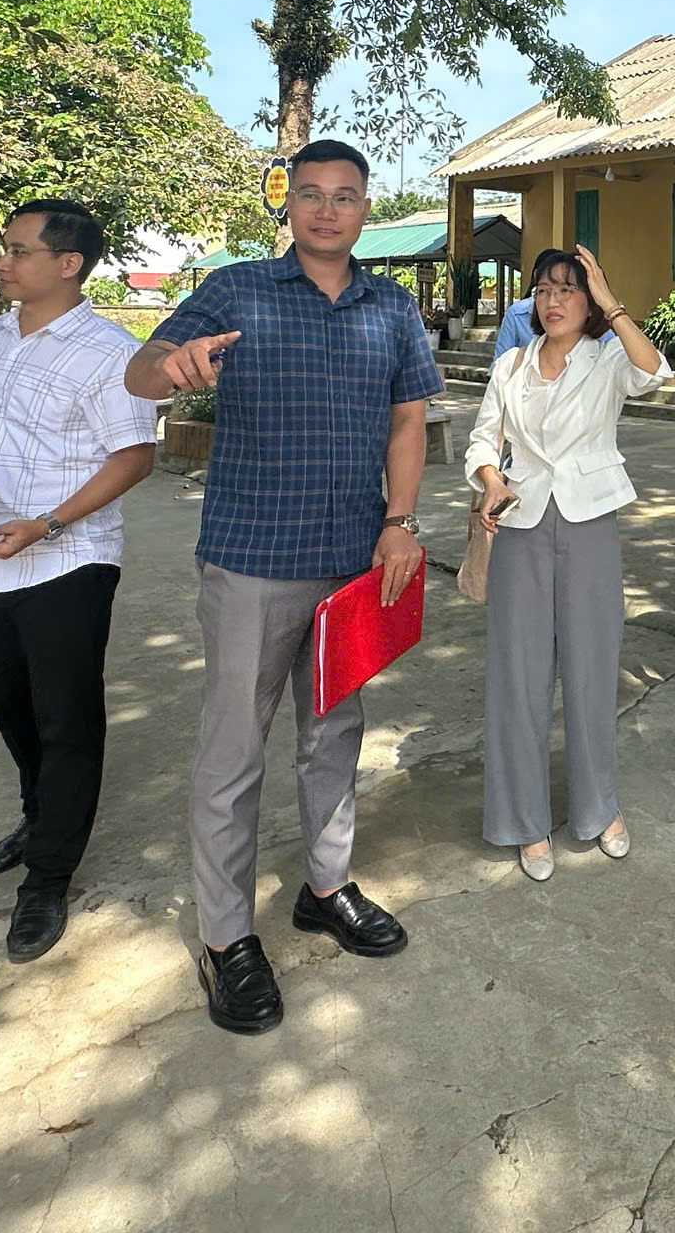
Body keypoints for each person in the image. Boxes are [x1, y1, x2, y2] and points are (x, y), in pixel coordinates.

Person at [125, 138, 443, 1036]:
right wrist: (170, 370)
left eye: (345, 196)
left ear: (365, 209)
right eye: (311, 194)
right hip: (251, 559)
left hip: (351, 562)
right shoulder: (236, 291)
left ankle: (326, 887)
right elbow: (143, 367)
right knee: (234, 751)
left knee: (335, 734)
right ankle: (226, 940)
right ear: (289, 205)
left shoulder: (392, 308)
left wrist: (401, 523)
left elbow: (408, 424)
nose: (327, 210)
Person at [0, 199, 158, 966]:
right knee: (5, 700)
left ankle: (49, 875)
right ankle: (38, 815)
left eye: (18, 251)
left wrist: (50, 523)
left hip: (65, 561)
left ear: (68, 264)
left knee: (65, 719)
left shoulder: (106, 354)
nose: (2, 260)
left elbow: (135, 456)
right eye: (3, 248)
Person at [467, 245, 670, 880]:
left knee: (590, 671)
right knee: (519, 678)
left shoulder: (607, 359)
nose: (553, 301)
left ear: (587, 302)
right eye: (544, 290)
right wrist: (488, 476)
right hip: (520, 523)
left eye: (568, 290)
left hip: (589, 524)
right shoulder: (511, 364)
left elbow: (654, 371)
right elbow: (481, 435)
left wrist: (613, 303)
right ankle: (524, 821)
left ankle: (598, 807)